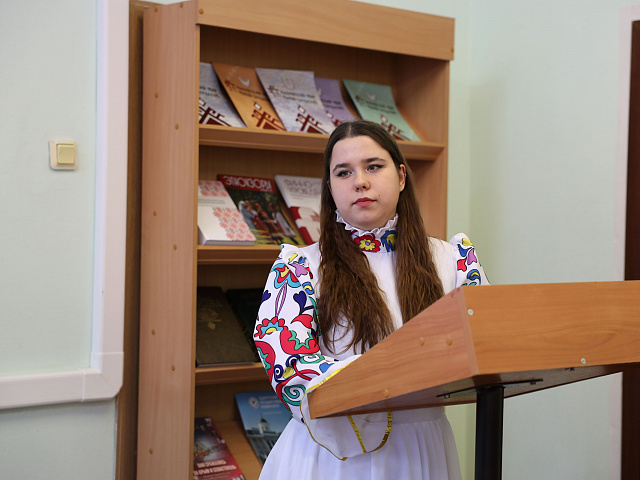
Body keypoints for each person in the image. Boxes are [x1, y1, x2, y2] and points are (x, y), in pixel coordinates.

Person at [254, 120, 489, 480]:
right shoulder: (299, 266)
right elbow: (289, 367)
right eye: (343, 172)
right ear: (330, 187)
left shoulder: (455, 260)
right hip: (333, 455)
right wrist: (392, 379)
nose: (360, 181)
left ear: (401, 176)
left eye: (373, 166)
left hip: (423, 447)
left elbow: (485, 347)